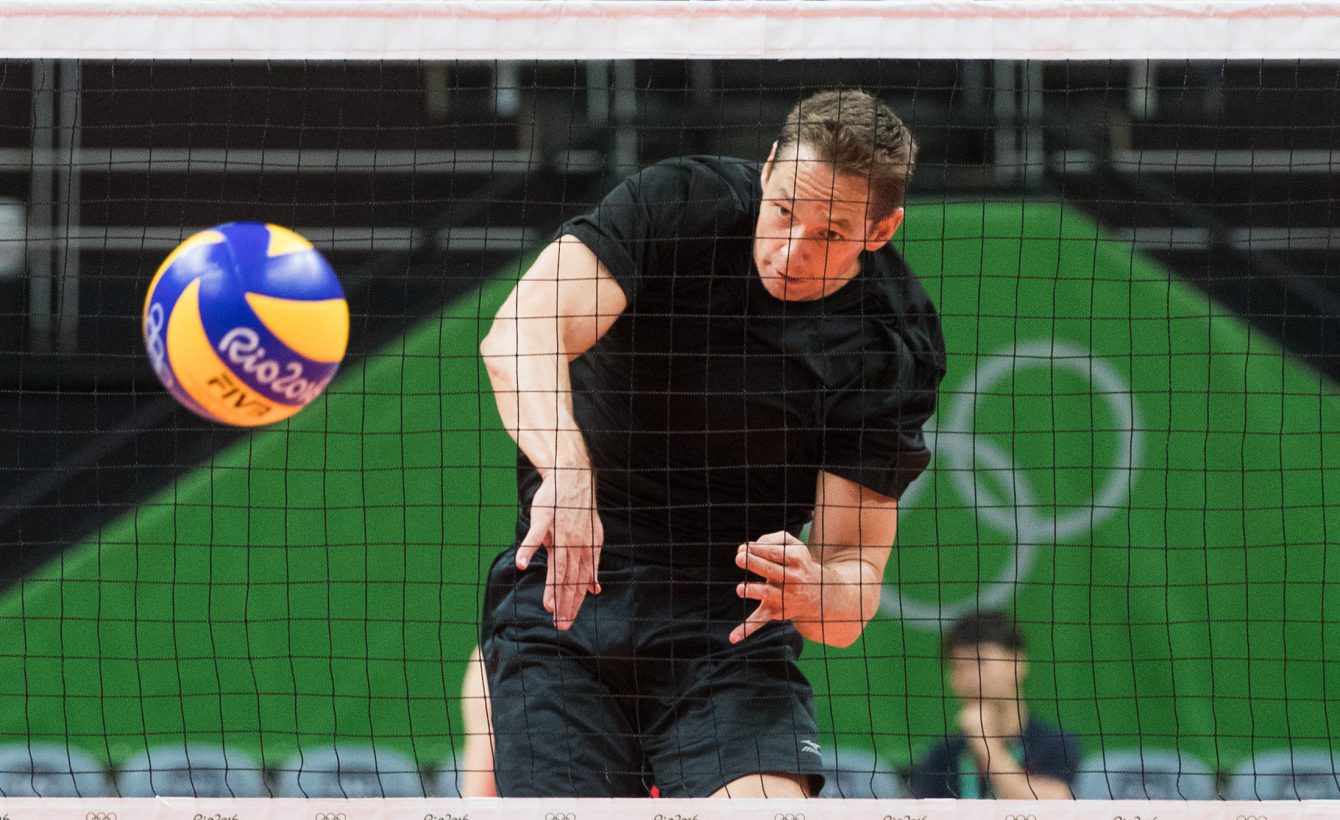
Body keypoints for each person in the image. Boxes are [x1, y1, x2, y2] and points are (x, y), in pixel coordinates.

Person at [478, 89, 946, 798]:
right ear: (766, 171)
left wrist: (818, 590)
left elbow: (853, 579)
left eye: (830, 234)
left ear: (880, 232)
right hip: (567, 601)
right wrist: (568, 469)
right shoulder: (682, 202)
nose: (791, 251)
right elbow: (517, 332)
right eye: (784, 209)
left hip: (725, 633)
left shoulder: (887, 342)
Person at [908, 610, 1079, 799]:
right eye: (957, 667)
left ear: (1016, 663)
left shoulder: (1054, 745)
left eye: (979, 662)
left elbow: (1055, 807)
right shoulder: (940, 759)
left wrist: (986, 744)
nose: (969, 679)